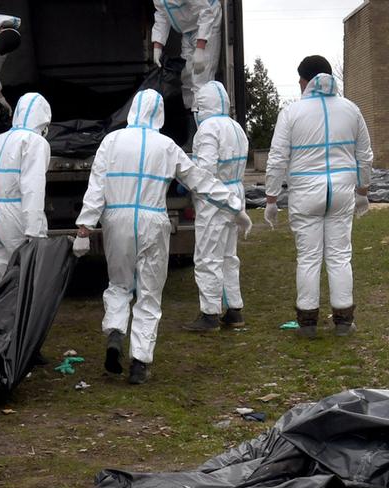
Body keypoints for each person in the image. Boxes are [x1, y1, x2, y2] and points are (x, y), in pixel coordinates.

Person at [76, 88, 246, 384]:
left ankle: (116, 332)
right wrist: (233, 204)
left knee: (118, 284)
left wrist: (84, 227)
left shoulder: (111, 141)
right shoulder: (167, 146)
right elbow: (199, 180)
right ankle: (140, 362)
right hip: (153, 220)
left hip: (117, 219)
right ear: (159, 114)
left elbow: (96, 187)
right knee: (150, 293)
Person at [263, 56, 372, 337]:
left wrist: (272, 198)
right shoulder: (351, 110)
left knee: (309, 257)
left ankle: (308, 322)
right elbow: (365, 157)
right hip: (341, 192)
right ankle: (344, 320)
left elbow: (277, 159)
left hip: (305, 194)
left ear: (306, 80)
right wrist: (363, 191)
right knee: (339, 255)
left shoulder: (291, 113)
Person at [183, 80, 250, 333]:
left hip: (214, 198)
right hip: (235, 193)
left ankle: (209, 314)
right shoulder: (236, 127)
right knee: (228, 256)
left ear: (203, 105)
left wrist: (186, 175)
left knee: (208, 256)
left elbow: (206, 171)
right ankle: (234, 310)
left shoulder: (208, 129)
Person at [0, 92, 52, 302]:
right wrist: (35, 230)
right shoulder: (34, 142)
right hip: (15, 215)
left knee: (0, 279)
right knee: (26, 277)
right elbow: (33, 187)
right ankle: (21, 330)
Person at [150, 0, 222, 112]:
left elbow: (205, 12)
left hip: (208, 21)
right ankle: (191, 116)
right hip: (188, 29)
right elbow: (162, 15)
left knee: (201, 77)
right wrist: (157, 46)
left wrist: (200, 49)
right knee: (187, 75)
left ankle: (204, 121)